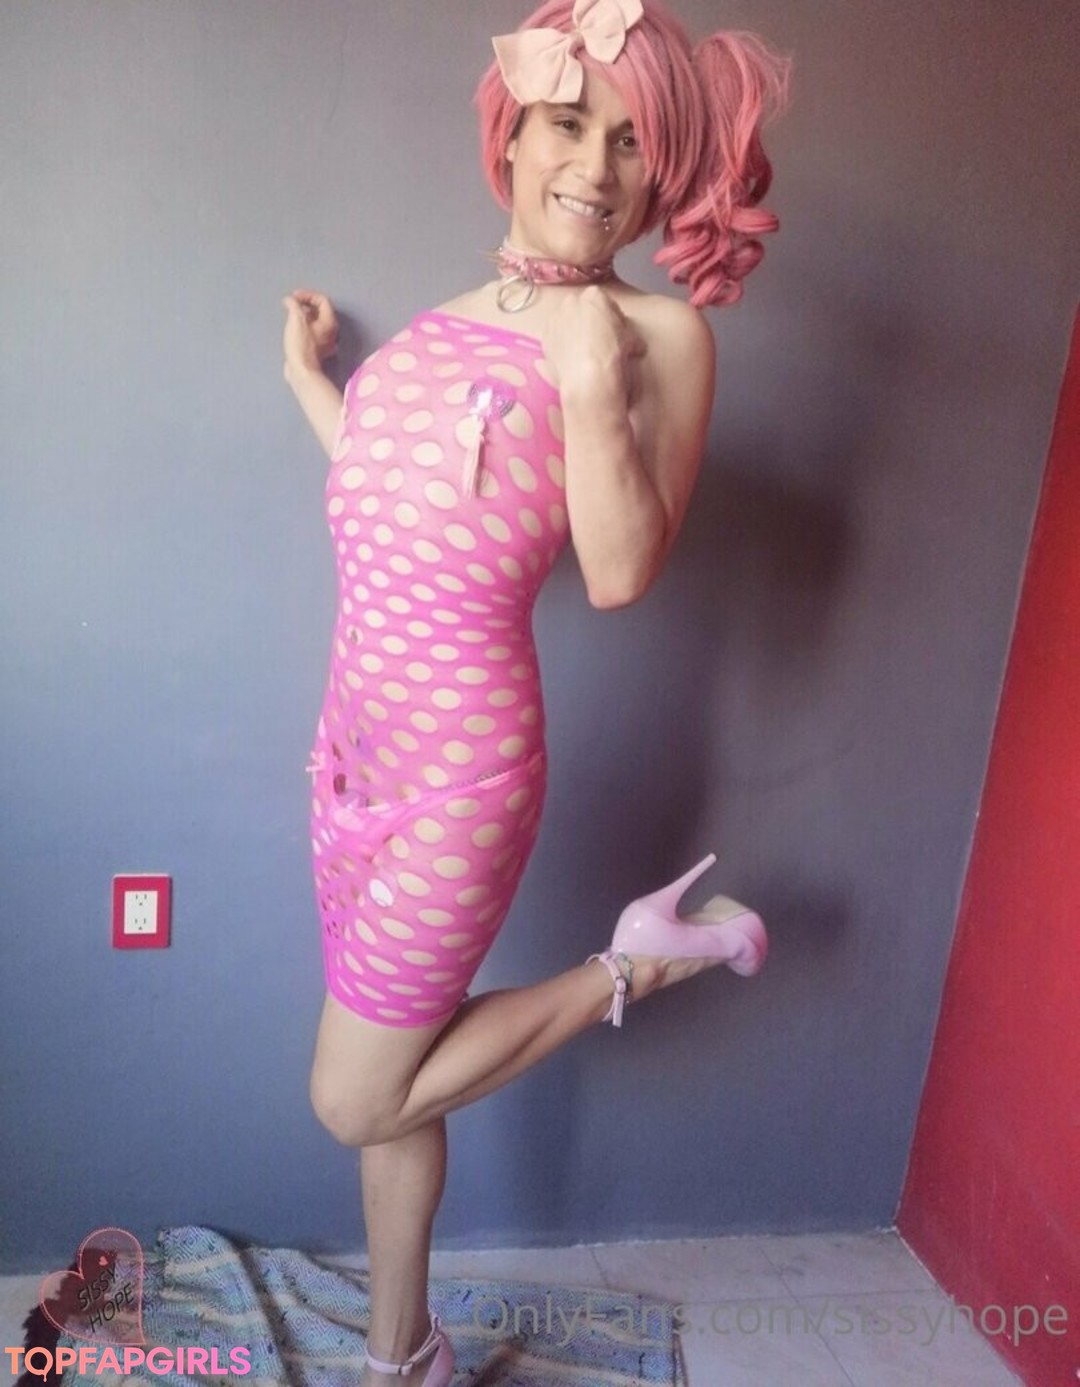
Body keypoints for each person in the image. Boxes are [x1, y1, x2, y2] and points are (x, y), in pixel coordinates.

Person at [281, 2, 791, 1381]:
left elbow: (621, 572)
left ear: (660, 173)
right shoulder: (437, 329)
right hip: (347, 764)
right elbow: (396, 495)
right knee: (401, 1092)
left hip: (462, 776)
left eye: (632, 143)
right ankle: (403, 1356)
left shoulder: (658, 335)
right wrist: (312, 384)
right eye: (572, 123)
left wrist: (588, 377)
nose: (597, 166)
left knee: (354, 1097)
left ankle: (639, 959)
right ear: (513, 134)